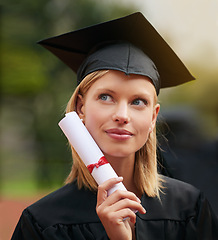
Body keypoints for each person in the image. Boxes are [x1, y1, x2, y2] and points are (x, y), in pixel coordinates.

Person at [11, 12, 218, 240]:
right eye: (106, 97)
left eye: (138, 102)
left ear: (153, 117)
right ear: (81, 107)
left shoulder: (189, 210)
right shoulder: (43, 223)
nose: (122, 115)